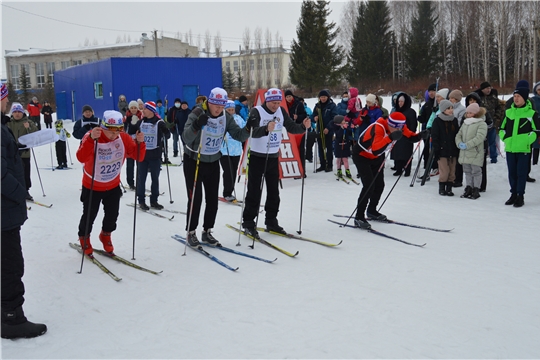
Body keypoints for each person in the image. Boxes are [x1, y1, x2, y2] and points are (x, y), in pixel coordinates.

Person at [1, 83, 47, 340]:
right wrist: (20, 193)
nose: (7, 104)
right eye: (5, 98)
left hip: (5, 210)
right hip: (4, 211)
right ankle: (11, 319)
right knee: (10, 265)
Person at [183, 87, 254, 247]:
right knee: (196, 199)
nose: (219, 109)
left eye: (222, 106)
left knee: (212, 200)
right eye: (216, 105)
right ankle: (191, 232)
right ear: (209, 102)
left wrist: (249, 127)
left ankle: (207, 231)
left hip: (213, 161)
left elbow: (238, 135)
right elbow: (185, 137)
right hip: (194, 160)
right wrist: (195, 125)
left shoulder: (225, 117)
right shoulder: (197, 112)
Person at [242, 88, 312, 237]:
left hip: (273, 157)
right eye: (273, 103)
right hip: (257, 156)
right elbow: (251, 131)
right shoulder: (257, 111)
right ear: (267, 100)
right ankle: (248, 222)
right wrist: (266, 129)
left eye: (278, 102)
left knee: (274, 192)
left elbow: (291, 127)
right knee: (254, 191)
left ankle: (271, 221)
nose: (275, 106)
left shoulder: (281, 111)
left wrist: (302, 126)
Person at [76, 110, 146, 255]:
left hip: (113, 184)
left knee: (112, 215)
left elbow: (138, 156)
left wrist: (140, 142)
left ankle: (105, 235)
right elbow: (81, 158)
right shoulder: (92, 136)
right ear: (103, 128)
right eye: (111, 132)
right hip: (92, 185)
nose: (115, 136)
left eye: (118, 132)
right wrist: (90, 140)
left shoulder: (123, 138)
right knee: (89, 215)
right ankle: (84, 237)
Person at [352, 112, 426, 229]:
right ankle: (359, 217)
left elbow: (410, 136)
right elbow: (376, 149)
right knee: (369, 186)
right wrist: (390, 137)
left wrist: (420, 135)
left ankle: (372, 210)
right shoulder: (379, 127)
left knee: (379, 185)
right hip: (361, 156)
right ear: (389, 123)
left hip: (376, 158)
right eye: (395, 127)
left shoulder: (400, 126)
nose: (398, 130)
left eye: (400, 127)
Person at [499, 81, 540, 207]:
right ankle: (513, 194)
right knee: (512, 172)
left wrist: (527, 141)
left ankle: (520, 195)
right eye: (514, 96)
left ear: (524, 98)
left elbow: (536, 131)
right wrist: (505, 138)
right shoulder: (508, 112)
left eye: (518, 96)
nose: (516, 99)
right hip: (510, 148)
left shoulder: (531, 113)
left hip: (523, 149)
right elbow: (502, 129)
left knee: (521, 173)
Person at [136, 101, 170, 210]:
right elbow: (133, 134)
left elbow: (168, 135)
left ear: (151, 110)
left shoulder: (159, 122)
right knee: (142, 178)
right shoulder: (141, 122)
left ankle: (154, 200)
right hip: (143, 155)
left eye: (145, 109)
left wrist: (165, 131)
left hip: (155, 154)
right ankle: (141, 200)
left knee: (155, 178)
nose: (143, 110)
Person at [6, 103, 38, 201]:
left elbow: (35, 134)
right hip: (11, 153)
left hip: (24, 153)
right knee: (11, 173)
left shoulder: (28, 122)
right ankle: (13, 192)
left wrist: (29, 127)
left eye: (19, 112)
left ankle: (26, 191)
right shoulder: (8, 123)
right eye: (15, 112)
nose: (17, 114)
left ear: (22, 112)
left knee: (25, 172)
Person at [455, 103, 488, 200]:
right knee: (467, 171)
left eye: (471, 113)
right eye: (467, 113)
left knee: (476, 171)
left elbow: (480, 137)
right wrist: (459, 143)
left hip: (475, 152)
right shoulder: (465, 123)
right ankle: (468, 187)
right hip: (465, 152)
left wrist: (467, 145)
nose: (468, 114)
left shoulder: (481, 123)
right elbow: (458, 134)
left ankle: (476, 188)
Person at [431, 100, 459, 196]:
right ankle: (442, 187)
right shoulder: (437, 121)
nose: (450, 110)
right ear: (443, 110)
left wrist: (457, 147)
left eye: (451, 108)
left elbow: (457, 134)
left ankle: (449, 188)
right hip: (442, 150)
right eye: (448, 108)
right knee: (444, 171)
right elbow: (435, 136)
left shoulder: (454, 120)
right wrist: (437, 149)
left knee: (452, 171)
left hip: (453, 149)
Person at [220, 100, 246, 201]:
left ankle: (230, 191)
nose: (231, 111)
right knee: (228, 172)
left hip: (236, 150)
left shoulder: (239, 118)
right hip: (224, 150)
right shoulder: (222, 119)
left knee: (233, 172)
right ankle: (226, 192)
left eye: (232, 109)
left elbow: (244, 129)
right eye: (228, 110)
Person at [475, 82, 503, 164]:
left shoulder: (493, 97)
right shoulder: (477, 97)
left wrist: (496, 117)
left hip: (492, 123)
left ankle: (494, 157)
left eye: (490, 88)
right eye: (487, 88)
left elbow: (499, 107)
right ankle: (481, 157)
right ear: (482, 89)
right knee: (480, 141)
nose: (489, 90)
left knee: (492, 141)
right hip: (480, 123)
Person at [390, 92, 418, 176]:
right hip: (397, 135)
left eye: (402, 101)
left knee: (406, 153)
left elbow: (413, 124)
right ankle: (398, 169)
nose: (400, 103)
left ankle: (407, 170)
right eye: (399, 102)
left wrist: (411, 133)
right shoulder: (396, 111)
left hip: (407, 135)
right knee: (397, 153)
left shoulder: (411, 112)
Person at [311, 89, 337, 172]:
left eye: (324, 97)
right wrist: (314, 118)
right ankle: (322, 164)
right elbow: (313, 115)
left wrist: (328, 128)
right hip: (319, 129)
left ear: (328, 97)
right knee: (321, 148)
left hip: (328, 130)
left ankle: (329, 165)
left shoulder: (332, 106)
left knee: (329, 148)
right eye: (321, 97)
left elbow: (334, 118)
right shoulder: (317, 106)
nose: (323, 98)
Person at [284, 89, 310, 173]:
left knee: (300, 150)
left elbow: (304, 115)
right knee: (291, 150)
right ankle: (292, 169)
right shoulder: (283, 105)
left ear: (292, 96)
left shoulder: (298, 104)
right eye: (287, 97)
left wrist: (298, 117)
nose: (288, 98)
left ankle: (302, 170)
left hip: (299, 129)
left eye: (290, 96)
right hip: (288, 130)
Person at [123, 101, 143, 190]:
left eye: (135, 108)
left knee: (140, 164)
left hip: (138, 142)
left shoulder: (141, 117)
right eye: (132, 108)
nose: (133, 109)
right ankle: (130, 182)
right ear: (129, 109)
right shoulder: (126, 118)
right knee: (130, 165)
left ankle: (139, 182)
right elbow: (124, 130)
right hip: (129, 143)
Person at [418, 83, 437, 169]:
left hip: (435, 130)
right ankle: (426, 164)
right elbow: (423, 117)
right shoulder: (426, 104)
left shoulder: (439, 103)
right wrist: (420, 118)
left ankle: (435, 165)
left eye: (433, 91)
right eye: (429, 91)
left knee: (433, 148)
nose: (431, 93)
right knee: (426, 148)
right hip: (426, 130)